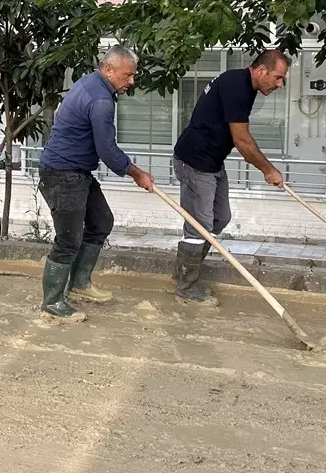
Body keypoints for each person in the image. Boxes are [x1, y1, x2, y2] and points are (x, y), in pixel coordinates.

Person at [37, 45, 155, 322]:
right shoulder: (100, 100)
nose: (131, 82)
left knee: (101, 222)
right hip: (62, 174)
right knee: (68, 240)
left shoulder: (91, 83)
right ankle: (53, 302)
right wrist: (137, 173)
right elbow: (107, 150)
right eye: (127, 76)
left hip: (77, 173)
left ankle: (79, 284)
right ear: (109, 69)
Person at [170, 49, 290, 306]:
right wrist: (268, 170)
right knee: (199, 225)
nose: (280, 84)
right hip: (194, 161)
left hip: (212, 162)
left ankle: (182, 271)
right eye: (278, 77)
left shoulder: (246, 86)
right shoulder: (236, 85)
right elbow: (242, 140)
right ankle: (186, 287)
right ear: (261, 70)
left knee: (220, 218)